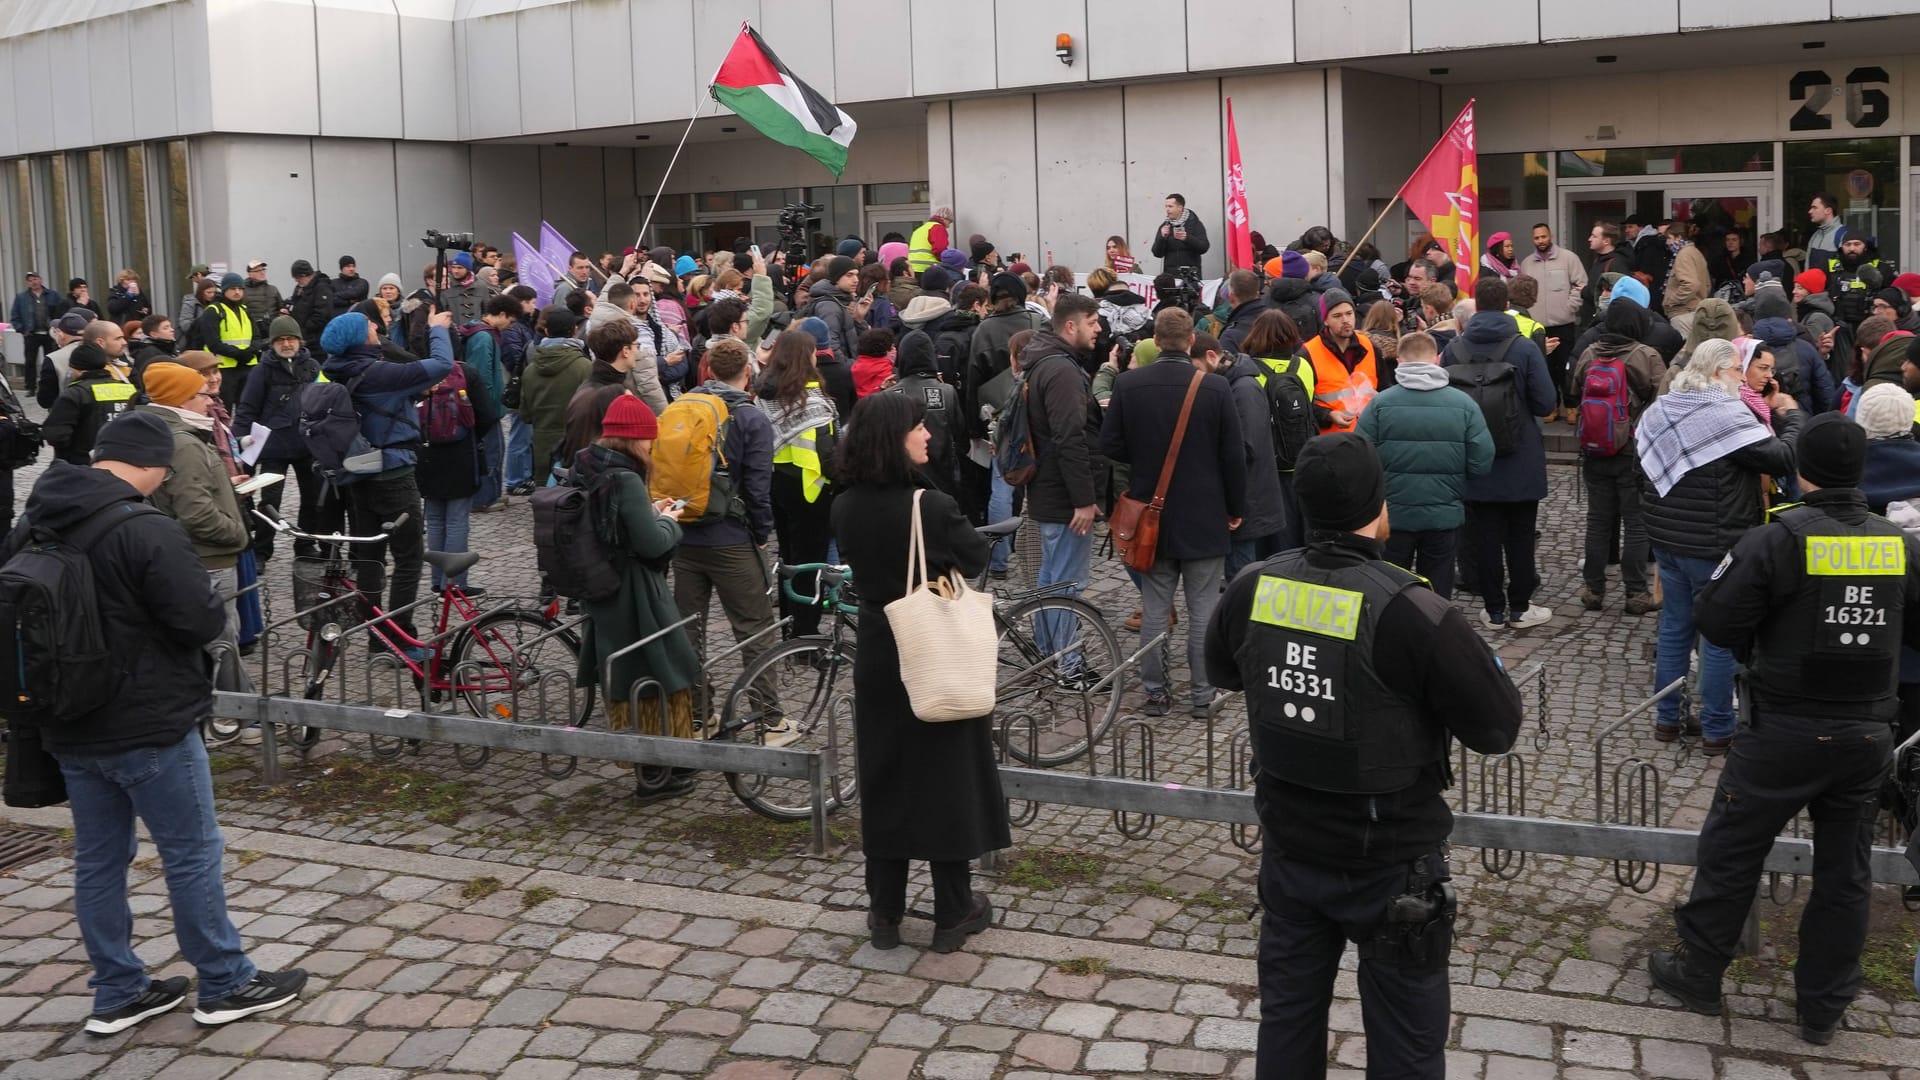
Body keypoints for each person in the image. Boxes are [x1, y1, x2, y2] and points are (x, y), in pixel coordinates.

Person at [1202, 432, 1523, 1079]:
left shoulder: (1252, 586)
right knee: (1406, 1048)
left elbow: (1222, 669)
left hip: (1291, 847)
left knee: (1287, 1025)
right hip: (1392, 862)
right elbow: (1498, 727)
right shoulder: (1415, 609)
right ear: (1380, 507)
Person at [2, 412, 307, 1034]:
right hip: (149, 723)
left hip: (68, 723)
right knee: (192, 853)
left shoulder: (32, 523)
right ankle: (225, 982)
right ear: (150, 464)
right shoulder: (145, 529)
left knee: (98, 859)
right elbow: (200, 622)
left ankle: (117, 990)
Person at [1648, 412, 1920, 1045]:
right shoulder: (1900, 545)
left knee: (1731, 851)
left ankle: (1700, 971)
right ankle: (1823, 1006)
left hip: (1782, 729)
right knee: (1845, 874)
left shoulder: (1774, 539)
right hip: (1864, 735)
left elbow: (1716, 620)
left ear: (1804, 472)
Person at [829, 391, 1003, 952]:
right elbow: (974, 557)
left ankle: (885, 913)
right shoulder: (928, 505)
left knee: (885, 778)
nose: (928, 435)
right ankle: (954, 910)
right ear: (893, 438)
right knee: (946, 777)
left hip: (880, 649)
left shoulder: (846, 504)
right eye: (918, 428)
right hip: (932, 648)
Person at [1638, 339, 1803, 753]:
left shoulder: (1663, 407)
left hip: (1667, 540)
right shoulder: (1726, 414)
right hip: (1714, 545)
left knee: (1675, 627)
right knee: (1717, 635)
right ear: (1716, 372)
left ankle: (1666, 719)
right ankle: (1717, 728)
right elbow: (1782, 458)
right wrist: (1792, 415)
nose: (1739, 378)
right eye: (1734, 371)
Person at [1102, 309, 1246, 717]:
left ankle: (1155, 694)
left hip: (1152, 513)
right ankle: (1202, 696)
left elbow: (1110, 445)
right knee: (1203, 610)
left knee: (1155, 607)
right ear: (1190, 342)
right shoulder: (1215, 389)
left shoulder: (1129, 385)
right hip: (1204, 513)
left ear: (1155, 339)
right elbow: (1234, 456)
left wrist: (1145, 459)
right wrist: (1235, 508)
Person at [570, 395, 702, 792]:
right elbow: (650, 544)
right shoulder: (625, 477)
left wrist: (647, 509)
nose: (651, 448)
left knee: (625, 674)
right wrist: (667, 521)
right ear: (633, 439)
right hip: (634, 590)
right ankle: (665, 769)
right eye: (648, 440)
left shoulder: (587, 464)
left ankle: (648, 765)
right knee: (661, 667)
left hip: (601, 585)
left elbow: (618, 523)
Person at [319, 309, 454, 653]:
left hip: (358, 473)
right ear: (358, 338)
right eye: (369, 325)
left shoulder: (336, 369)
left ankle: (376, 638)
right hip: (393, 474)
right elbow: (442, 365)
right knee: (408, 557)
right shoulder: (378, 373)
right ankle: (400, 637)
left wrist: (408, 396)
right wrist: (437, 330)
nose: (376, 325)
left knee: (370, 558)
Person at [671, 337, 783, 730]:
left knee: (687, 630)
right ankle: (768, 717)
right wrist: (763, 531)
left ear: (708, 372)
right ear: (748, 372)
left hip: (684, 535)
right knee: (754, 627)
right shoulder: (751, 418)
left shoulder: (681, 407)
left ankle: (699, 713)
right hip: (732, 537)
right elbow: (757, 486)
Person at [1442, 277, 1557, 630]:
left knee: (1484, 536)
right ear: (1507, 304)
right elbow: (1546, 401)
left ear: (1475, 305)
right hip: (1519, 455)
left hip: (1475, 458)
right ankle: (1520, 608)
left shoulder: (1453, 350)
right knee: (1521, 535)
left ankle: (1493, 609)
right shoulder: (1523, 348)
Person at [137, 361, 253, 689]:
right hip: (209, 556)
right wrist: (236, 533)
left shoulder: (165, 431)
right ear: (181, 398)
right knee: (220, 638)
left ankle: (239, 710)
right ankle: (236, 715)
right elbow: (196, 513)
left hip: (195, 553)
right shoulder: (185, 443)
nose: (209, 400)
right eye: (202, 394)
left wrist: (226, 488)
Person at [1355, 331, 1494, 599]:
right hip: (1444, 515)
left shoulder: (1380, 405)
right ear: (1437, 360)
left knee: (1390, 589)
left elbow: (1360, 459)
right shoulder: (1464, 404)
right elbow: (1481, 462)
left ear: (1398, 361)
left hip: (1393, 516)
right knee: (1437, 591)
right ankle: (1434, 636)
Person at [1020, 293, 1104, 671]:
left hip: (1048, 489)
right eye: (1093, 322)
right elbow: (1070, 437)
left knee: (1051, 580)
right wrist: (1084, 500)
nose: (1099, 329)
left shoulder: (1044, 362)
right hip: (1063, 496)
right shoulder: (1062, 371)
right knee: (1066, 585)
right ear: (1071, 326)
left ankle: (1047, 653)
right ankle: (1068, 666)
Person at [1569, 299, 1667, 614]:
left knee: (1598, 521)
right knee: (1636, 524)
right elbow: (1663, 400)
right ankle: (1636, 593)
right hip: (1633, 451)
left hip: (1595, 449)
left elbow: (1575, 389)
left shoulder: (1589, 353)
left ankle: (1593, 590)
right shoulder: (1646, 356)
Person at [757, 330, 841, 639]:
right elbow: (827, 452)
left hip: (776, 483)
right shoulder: (812, 399)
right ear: (806, 356)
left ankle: (790, 628)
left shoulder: (765, 393)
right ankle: (807, 632)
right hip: (811, 487)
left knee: (788, 558)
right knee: (811, 563)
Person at [235, 316, 328, 561]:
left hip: (307, 445)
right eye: (281, 339)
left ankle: (305, 546)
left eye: (291, 338)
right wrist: (241, 440)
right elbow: (247, 407)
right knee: (270, 501)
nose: (286, 343)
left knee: (312, 498)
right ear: (272, 343)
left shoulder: (313, 367)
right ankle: (262, 552)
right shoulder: (261, 371)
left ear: (299, 340)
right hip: (274, 447)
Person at [416, 332, 500, 594]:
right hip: (461, 454)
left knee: (435, 518)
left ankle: (436, 581)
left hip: (426, 454)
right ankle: (455, 584)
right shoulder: (467, 373)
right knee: (456, 521)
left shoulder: (417, 372)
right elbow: (486, 415)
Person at [43, 321, 140, 465]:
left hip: (83, 463)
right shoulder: (126, 386)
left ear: (77, 369)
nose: (124, 342)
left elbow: (57, 434)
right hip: (122, 460)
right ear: (100, 342)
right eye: (118, 338)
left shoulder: (77, 391)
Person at [890, 329, 967, 501]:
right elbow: (960, 434)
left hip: (904, 481)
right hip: (942, 477)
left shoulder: (890, 395)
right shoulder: (946, 391)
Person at [519, 306, 591, 483]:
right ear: (575, 331)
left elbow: (525, 414)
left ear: (546, 331)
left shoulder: (530, 370)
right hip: (577, 443)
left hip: (543, 443)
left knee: (545, 500)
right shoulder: (585, 367)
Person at [1302, 289, 1382, 434]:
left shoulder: (1370, 347)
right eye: (1337, 316)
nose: (1345, 320)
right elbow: (1301, 403)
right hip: (1331, 442)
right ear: (1325, 320)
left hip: (1369, 437)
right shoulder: (1308, 353)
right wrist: (1328, 415)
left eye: (1349, 313)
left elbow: (1384, 389)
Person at [197, 274, 258, 410]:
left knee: (248, 408)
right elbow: (213, 343)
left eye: (240, 288)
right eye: (233, 288)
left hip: (247, 366)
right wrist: (239, 354)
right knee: (224, 408)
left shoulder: (244, 310)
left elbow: (257, 337)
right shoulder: (214, 311)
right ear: (224, 290)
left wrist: (250, 351)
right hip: (223, 369)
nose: (237, 292)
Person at [10, 271, 58, 396]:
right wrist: (22, 329)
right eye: (30, 280)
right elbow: (15, 316)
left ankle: (51, 385)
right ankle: (31, 387)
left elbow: (60, 311)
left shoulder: (52, 295)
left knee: (51, 360)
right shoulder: (21, 297)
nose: (33, 282)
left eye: (35, 279)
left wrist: (57, 327)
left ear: (40, 279)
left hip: (49, 333)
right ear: (27, 282)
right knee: (30, 361)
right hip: (31, 334)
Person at [1583, 222, 1635, 326]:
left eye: (1594, 236)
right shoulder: (1599, 260)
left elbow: (1618, 295)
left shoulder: (1617, 264)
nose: (1589, 239)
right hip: (1597, 319)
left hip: (1608, 322)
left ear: (1606, 241)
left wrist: (1584, 291)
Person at [1151, 193, 1210, 279]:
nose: (1167, 209)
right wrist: (1162, 238)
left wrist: (1187, 238)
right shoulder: (1165, 226)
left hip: (1191, 277)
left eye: (1170, 206)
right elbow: (1157, 253)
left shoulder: (1194, 224)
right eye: (1166, 206)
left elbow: (1204, 247)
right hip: (1171, 277)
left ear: (1180, 208)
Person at [1806, 192, 1850, 275]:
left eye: (1814, 208)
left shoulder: (1843, 235)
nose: (1810, 211)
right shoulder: (1815, 236)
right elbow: (1807, 269)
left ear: (1828, 210)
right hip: (1814, 287)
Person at [907, 208, 954, 275]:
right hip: (929, 268)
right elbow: (939, 249)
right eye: (949, 222)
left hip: (913, 268)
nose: (948, 226)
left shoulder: (920, 229)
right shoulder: (938, 228)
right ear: (944, 218)